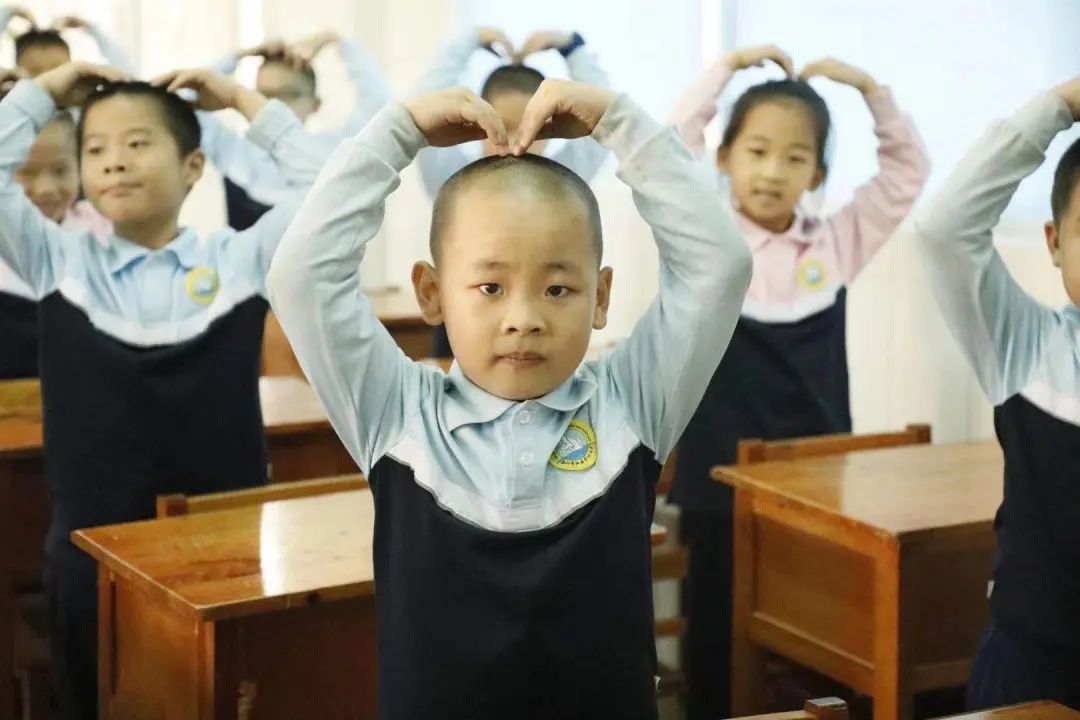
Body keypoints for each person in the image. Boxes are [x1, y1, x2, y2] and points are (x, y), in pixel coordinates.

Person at [266, 80, 753, 718]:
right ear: (432, 293)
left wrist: (618, 122)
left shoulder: (631, 403)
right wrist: (399, 131)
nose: (524, 318)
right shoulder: (398, 414)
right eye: (491, 287)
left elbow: (719, 265)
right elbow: (300, 278)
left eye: (558, 290)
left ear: (601, 297)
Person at [0, 62, 321, 718]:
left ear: (194, 167)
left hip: (220, 549)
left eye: (138, 143)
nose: (114, 162)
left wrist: (239, 97)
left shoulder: (238, 259)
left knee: (226, 697)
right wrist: (45, 91)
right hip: (91, 554)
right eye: (96, 150)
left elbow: (330, 190)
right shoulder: (58, 260)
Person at [668, 46, 930, 718]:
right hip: (719, 481)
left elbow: (907, 172)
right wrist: (726, 68)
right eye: (756, 151)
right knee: (718, 634)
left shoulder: (836, 242)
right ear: (723, 157)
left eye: (794, 158)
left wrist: (872, 88)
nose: (772, 172)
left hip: (816, 480)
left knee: (817, 635)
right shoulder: (707, 238)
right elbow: (669, 150)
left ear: (816, 172)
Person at [914, 75, 1080, 710]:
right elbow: (945, 229)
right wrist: (1058, 108)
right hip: (1031, 657)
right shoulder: (1027, 347)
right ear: (1054, 242)